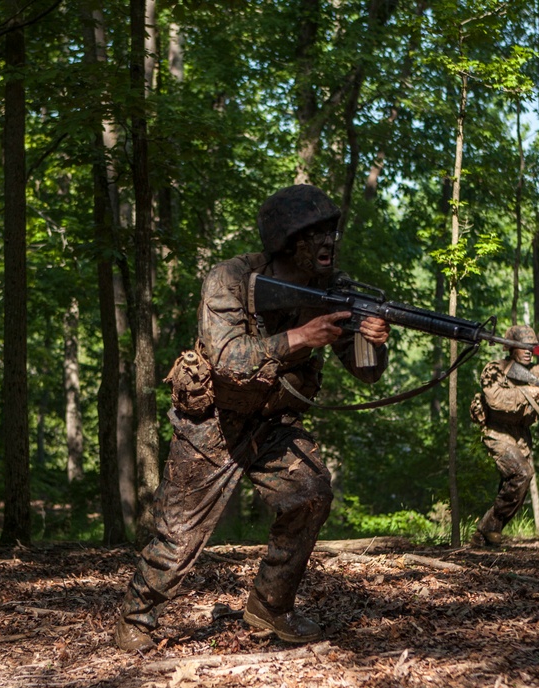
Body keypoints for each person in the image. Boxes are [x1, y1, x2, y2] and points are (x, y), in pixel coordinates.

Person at [114, 184, 390, 652]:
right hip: (212, 424)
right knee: (176, 539)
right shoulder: (232, 280)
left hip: (273, 426)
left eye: (330, 233)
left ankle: (270, 605)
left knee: (310, 494)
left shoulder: (334, 290)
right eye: (313, 235)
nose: (327, 243)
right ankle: (136, 619)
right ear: (285, 240)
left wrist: (372, 340)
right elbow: (228, 360)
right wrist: (301, 337)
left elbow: (365, 374)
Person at [470, 325, 539, 547]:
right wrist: (529, 393)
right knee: (522, 473)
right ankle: (488, 528)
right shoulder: (494, 369)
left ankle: (486, 534)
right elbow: (495, 399)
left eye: (531, 347)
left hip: (521, 436)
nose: (528, 351)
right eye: (522, 347)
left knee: (518, 485)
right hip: (497, 431)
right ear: (510, 348)